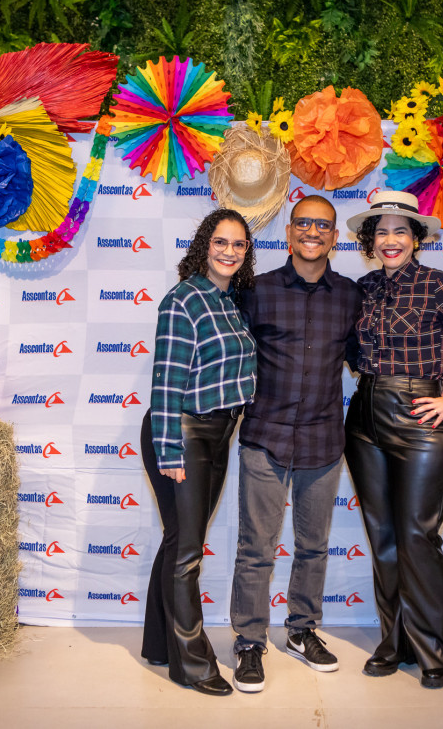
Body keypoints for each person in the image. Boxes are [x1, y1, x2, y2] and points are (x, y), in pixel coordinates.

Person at [343, 191, 443, 689]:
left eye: (400, 231)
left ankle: (433, 649)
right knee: (383, 538)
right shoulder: (363, 288)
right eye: (381, 232)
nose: (390, 240)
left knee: (417, 537)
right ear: (370, 240)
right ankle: (394, 643)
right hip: (363, 418)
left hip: (420, 418)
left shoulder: (438, 284)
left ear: (416, 238)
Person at [228, 195, 363, 693]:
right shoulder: (256, 291)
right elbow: (229, 353)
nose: (312, 232)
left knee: (313, 546)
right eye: (303, 223)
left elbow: (362, 357)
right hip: (265, 436)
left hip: (323, 440)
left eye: (322, 225)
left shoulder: (349, 295)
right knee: (256, 548)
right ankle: (249, 642)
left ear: (334, 237)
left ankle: (302, 630)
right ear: (288, 233)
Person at [140, 208, 257, 696]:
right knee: (188, 552)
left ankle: (159, 643)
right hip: (182, 434)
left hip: (217, 434)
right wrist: (169, 451)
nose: (229, 251)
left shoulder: (231, 303)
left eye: (239, 244)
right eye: (220, 242)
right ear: (204, 245)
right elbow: (166, 383)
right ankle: (191, 663)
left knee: (178, 541)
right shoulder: (183, 300)